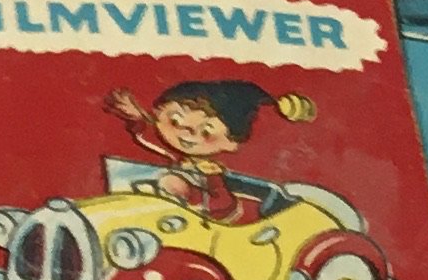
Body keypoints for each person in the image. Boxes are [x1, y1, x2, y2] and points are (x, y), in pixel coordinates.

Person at [103, 76, 312, 223]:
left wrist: (190, 195)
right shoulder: (175, 157)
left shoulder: (211, 172)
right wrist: (137, 116)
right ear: (158, 112)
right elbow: (147, 134)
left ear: (231, 143)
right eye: (175, 121)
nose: (186, 134)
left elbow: (222, 207)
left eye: (205, 132)